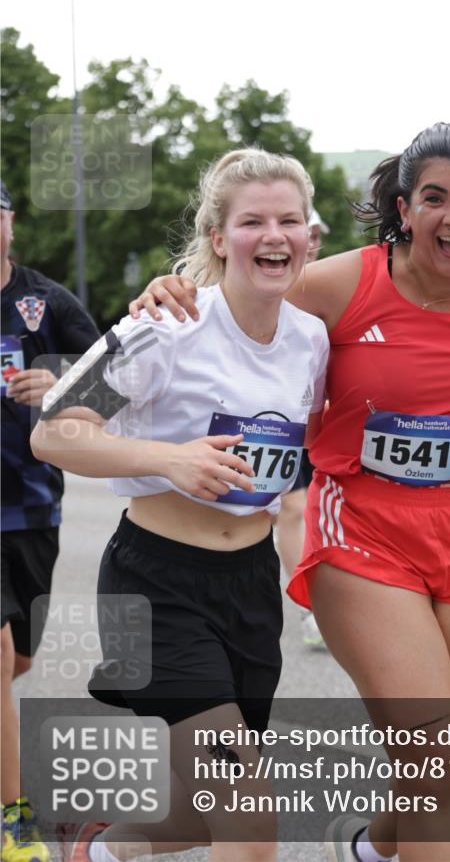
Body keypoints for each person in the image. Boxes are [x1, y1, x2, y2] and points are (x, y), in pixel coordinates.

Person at [130, 123, 450, 862]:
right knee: (436, 765)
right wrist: (177, 287)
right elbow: (242, 293)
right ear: (403, 208)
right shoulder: (337, 283)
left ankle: (371, 848)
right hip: (366, 529)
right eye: (432, 198)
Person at [30, 150, 329, 862]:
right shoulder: (162, 328)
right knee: (249, 814)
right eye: (252, 220)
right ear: (219, 236)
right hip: (154, 585)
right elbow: (54, 431)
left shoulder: (311, 340)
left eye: (289, 219)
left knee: (206, 815)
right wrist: (171, 459)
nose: (274, 235)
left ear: (310, 237)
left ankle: (96, 851)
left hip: (249, 588)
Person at [1, 182, 100, 862]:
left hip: (32, 507)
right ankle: (13, 818)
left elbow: (118, 381)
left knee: (21, 659)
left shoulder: (44, 301)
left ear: (9, 223)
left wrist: (58, 380)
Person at [274, 207, 330, 650]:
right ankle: (310, 605)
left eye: (312, 233)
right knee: (292, 509)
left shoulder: (333, 282)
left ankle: (331, 599)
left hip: (324, 420)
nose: (308, 240)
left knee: (317, 509)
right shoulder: (264, 282)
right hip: (278, 419)